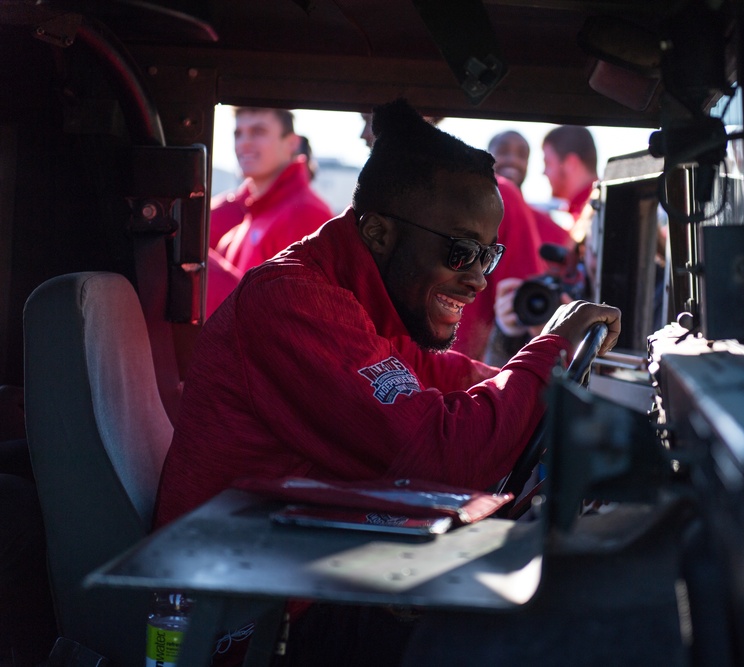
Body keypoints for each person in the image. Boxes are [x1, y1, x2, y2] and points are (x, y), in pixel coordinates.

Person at [153, 98, 620, 663]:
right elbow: (439, 452)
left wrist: (542, 381)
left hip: (308, 577)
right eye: (460, 251)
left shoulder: (360, 298)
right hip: (249, 619)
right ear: (377, 232)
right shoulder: (292, 301)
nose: (475, 279)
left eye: (488, 256)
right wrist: (550, 353)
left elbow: (442, 378)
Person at [207, 108, 333, 316]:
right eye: (238, 134)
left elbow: (302, 322)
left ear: (292, 143)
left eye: (258, 132)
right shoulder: (253, 213)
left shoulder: (305, 213)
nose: (244, 142)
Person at [542, 125, 599, 226]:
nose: (544, 172)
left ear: (570, 164)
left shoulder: (594, 216)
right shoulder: (587, 213)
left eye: (548, 163)